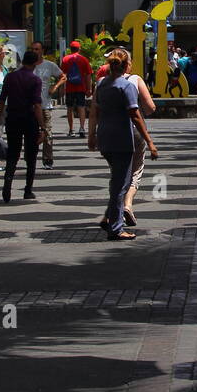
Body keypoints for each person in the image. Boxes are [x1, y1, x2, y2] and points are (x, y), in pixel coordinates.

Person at [88, 49, 158, 241]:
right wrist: (150, 142)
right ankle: (116, 228)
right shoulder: (126, 86)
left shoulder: (101, 84)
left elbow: (94, 110)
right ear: (127, 64)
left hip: (105, 136)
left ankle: (110, 217)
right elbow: (135, 115)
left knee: (117, 180)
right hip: (122, 138)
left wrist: (91, 135)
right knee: (121, 184)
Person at [0, 49, 44, 202]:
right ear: (35, 63)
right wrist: (42, 126)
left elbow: (2, 100)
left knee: (13, 154)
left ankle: (7, 184)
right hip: (29, 120)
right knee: (31, 155)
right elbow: (37, 105)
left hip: (13, 118)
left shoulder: (10, 77)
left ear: (23, 61)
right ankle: (28, 190)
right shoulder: (35, 80)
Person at [31, 41, 65, 169]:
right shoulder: (28, 65)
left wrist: (55, 87)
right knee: (31, 133)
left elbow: (63, 77)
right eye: (32, 49)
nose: (34, 51)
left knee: (47, 133)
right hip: (30, 107)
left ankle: (48, 159)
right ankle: (31, 158)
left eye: (36, 49)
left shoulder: (49, 65)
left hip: (45, 105)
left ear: (42, 51)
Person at [61, 40, 92, 137]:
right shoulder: (84, 59)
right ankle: (82, 128)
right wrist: (89, 88)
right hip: (81, 88)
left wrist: (62, 88)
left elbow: (63, 75)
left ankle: (71, 130)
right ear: (79, 49)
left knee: (69, 108)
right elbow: (88, 75)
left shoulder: (65, 59)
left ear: (70, 49)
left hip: (69, 88)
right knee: (81, 107)